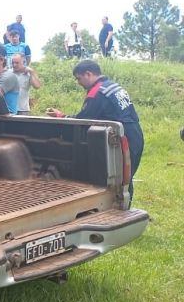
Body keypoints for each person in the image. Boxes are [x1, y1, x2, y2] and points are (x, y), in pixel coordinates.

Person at [47, 60, 143, 201]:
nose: (78, 83)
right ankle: (125, 206)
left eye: (79, 78)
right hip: (135, 133)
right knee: (125, 177)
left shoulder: (97, 93)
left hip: (122, 136)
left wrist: (62, 116)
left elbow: (83, 121)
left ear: (88, 74)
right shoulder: (113, 86)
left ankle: (119, 208)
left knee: (121, 178)